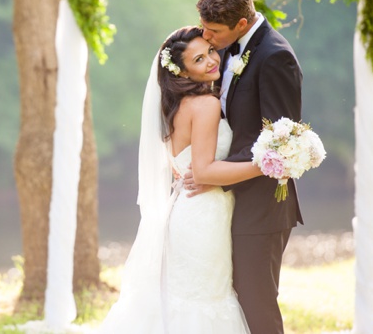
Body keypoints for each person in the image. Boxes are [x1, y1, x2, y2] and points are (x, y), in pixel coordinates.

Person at [98, 26, 265, 333]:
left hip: (188, 210)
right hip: (202, 215)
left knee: (186, 300)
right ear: (184, 73)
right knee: (203, 303)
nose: (212, 61)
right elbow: (202, 172)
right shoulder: (206, 105)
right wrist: (266, 164)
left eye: (210, 52)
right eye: (199, 60)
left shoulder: (180, 105)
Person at [185, 0, 304, 333]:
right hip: (232, 203)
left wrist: (212, 174)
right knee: (235, 300)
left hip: (262, 208)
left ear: (241, 24)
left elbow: (281, 144)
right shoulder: (230, 48)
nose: (206, 38)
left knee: (257, 304)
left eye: (213, 31)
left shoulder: (275, 57)